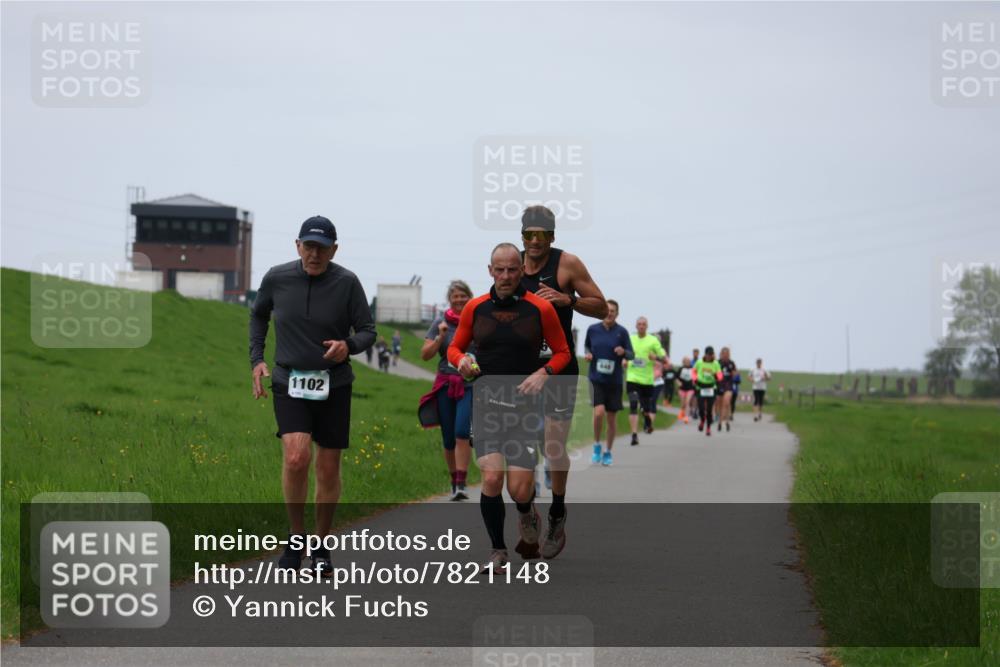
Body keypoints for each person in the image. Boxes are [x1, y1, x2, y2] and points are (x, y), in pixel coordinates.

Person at [250, 215, 376, 573]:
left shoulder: (348, 283)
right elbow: (258, 316)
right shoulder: (277, 277)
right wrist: (257, 360)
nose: (315, 254)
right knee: (295, 457)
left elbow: (368, 331)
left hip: (333, 383)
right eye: (309, 246)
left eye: (322, 248)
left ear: (334, 250)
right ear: (297, 246)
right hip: (289, 380)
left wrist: (347, 345)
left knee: (327, 467)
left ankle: (321, 545)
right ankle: (295, 537)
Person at [447, 243, 571, 572]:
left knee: (519, 489)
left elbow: (563, 353)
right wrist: (463, 361)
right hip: (487, 403)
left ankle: (527, 510)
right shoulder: (475, 308)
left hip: (524, 407)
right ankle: (498, 550)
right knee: (490, 479)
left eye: (512, 270)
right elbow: (455, 348)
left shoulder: (539, 309)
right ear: (490, 270)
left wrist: (543, 374)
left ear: (521, 271)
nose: (505, 276)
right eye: (499, 269)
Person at [519, 205, 607, 560]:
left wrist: (566, 299)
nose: (535, 240)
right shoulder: (512, 265)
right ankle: (526, 512)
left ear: (552, 237)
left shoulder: (567, 264)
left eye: (542, 234)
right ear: (522, 236)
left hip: (559, 368)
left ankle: (556, 512)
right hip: (520, 371)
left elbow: (600, 306)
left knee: (554, 444)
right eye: (529, 234)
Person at [418, 280, 475, 500]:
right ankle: (454, 481)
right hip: (445, 384)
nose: (460, 300)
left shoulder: (477, 321)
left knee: (462, 431)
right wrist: (441, 337)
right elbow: (425, 355)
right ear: (449, 299)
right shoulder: (440, 323)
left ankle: (462, 481)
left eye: (463, 296)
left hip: (469, 385)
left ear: (469, 297)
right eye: (456, 296)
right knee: (448, 437)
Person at [583, 299, 633, 466]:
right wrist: (588, 354)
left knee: (611, 418)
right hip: (596, 379)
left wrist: (623, 351)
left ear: (617, 314)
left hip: (614, 381)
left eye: (612, 311)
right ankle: (597, 445)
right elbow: (587, 347)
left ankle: (608, 452)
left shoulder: (622, 332)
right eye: (607, 310)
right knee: (598, 413)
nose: (609, 313)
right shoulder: (592, 330)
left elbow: (631, 355)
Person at [625, 317, 667, 445]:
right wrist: (624, 359)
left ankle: (647, 418)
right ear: (636, 326)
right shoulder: (630, 339)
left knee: (645, 408)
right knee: (633, 404)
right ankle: (634, 435)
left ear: (647, 326)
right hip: (632, 377)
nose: (641, 326)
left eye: (644, 324)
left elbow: (664, 357)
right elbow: (624, 352)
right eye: (639, 324)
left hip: (647, 380)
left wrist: (656, 357)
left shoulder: (653, 340)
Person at [693, 346, 722, 436]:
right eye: (708, 354)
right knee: (701, 409)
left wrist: (717, 377)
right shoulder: (699, 362)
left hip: (711, 387)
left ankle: (708, 428)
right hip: (701, 386)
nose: (710, 356)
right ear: (705, 354)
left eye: (711, 354)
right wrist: (695, 380)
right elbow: (694, 371)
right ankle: (702, 421)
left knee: (709, 410)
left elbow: (720, 375)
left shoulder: (716, 364)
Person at [716, 347, 737, 432]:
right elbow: (714, 373)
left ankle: (727, 421)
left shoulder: (731, 363)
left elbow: (734, 373)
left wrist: (734, 374)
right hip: (720, 385)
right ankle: (720, 422)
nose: (725, 356)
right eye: (724, 354)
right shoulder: (717, 363)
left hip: (728, 385)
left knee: (727, 402)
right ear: (721, 354)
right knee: (720, 404)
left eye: (727, 354)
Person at [676, 356, 696, 423]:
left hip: (690, 388)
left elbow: (696, 378)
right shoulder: (680, 369)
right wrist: (678, 382)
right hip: (682, 388)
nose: (687, 362)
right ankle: (682, 413)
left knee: (687, 402)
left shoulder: (693, 369)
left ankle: (686, 417)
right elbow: (676, 378)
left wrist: (694, 382)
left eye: (688, 361)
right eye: (685, 361)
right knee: (683, 403)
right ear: (683, 362)